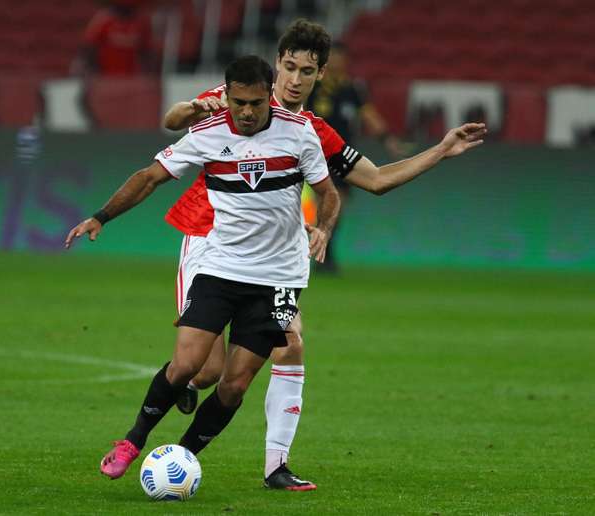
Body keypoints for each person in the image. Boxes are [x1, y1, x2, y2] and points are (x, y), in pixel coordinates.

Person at [161, 18, 487, 490]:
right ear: (276, 67)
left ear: (322, 74)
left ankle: (276, 465)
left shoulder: (313, 131)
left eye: (307, 71)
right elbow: (173, 119)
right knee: (208, 370)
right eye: (289, 68)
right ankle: (187, 386)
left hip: (272, 255)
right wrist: (194, 106)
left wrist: (439, 150)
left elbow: (375, 181)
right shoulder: (246, 95)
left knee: (291, 341)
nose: (295, 80)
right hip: (210, 238)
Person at [64, 55, 341, 483]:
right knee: (187, 365)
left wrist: (322, 227)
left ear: (269, 95)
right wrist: (102, 216)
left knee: (233, 386)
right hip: (222, 266)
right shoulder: (207, 134)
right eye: (238, 102)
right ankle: (133, 440)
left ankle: (182, 457)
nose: (247, 112)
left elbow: (328, 192)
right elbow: (149, 177)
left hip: (279, 279)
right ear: (225, 95)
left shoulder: (300, 133)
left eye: (255, 103)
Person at [307, 39, 411, 273]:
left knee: (338, 203)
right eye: (332, 56)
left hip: (343, 155)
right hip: (316, 153)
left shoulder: (352, 89)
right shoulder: (312, 85)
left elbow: (369, 116)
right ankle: (319, 253)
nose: (335, 61)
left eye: (339, 57)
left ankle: (326, 250)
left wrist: (388, 140)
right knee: (323, 200)